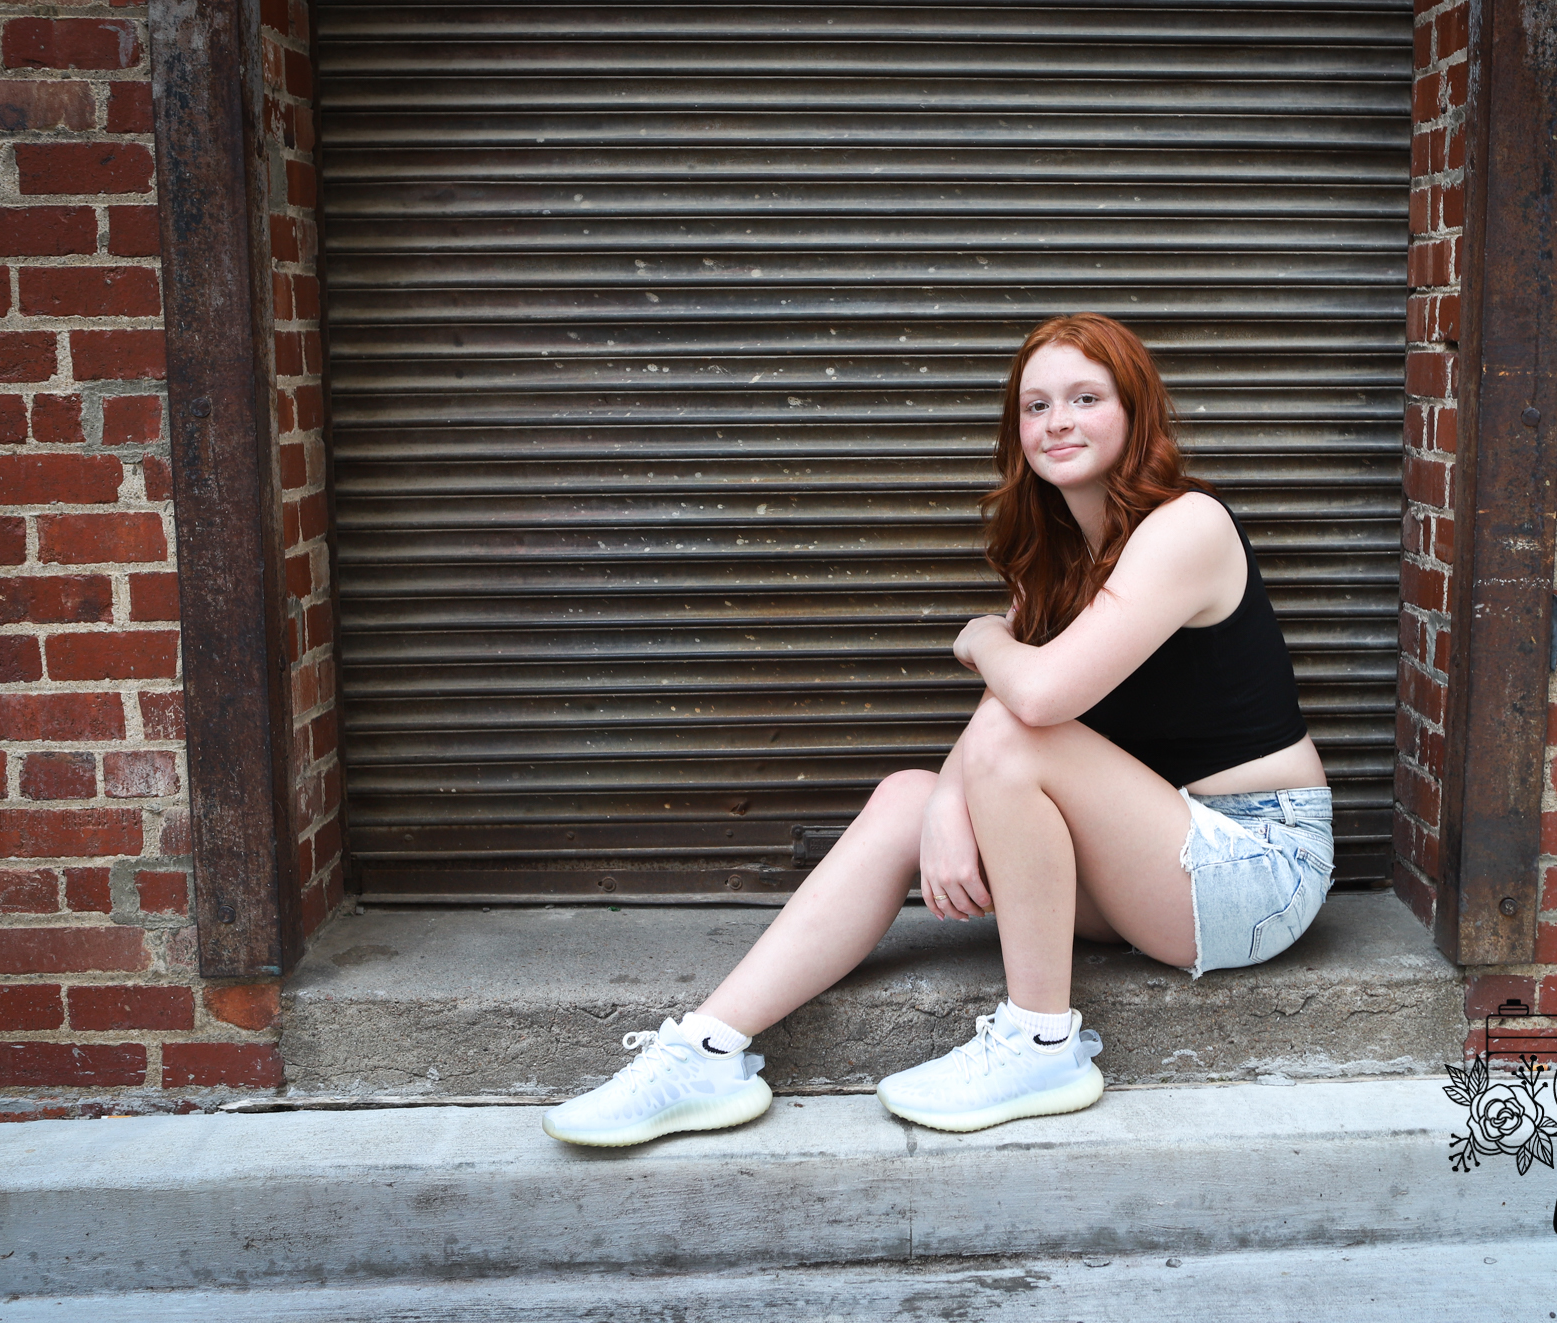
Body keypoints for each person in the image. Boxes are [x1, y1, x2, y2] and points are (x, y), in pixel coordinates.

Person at [543, 313, 1335, 1147]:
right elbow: (1001, 721)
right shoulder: (1062, 554)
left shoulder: (1188, 524)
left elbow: (1036, 701)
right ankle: (705, 1050)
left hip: (1259, 865)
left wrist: (983, 635)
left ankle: (1042, 1044)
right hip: (1157, 858)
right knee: (905, 797)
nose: (1057, 421)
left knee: (1014, 737)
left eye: (1085, 398)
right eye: (1036, 406)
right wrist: (949, 811)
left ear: (1136, 412)